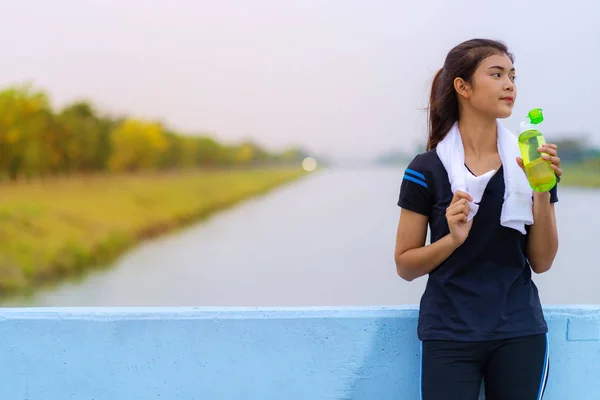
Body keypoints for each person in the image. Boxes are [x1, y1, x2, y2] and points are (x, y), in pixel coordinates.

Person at [394, 38, 562, 400]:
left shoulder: (530, 164)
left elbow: (543, 261)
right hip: (448, 333)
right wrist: (452, 239)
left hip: (520, 330)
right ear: (463, 87)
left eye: (512, 76)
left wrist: (542, 190)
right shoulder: (426, 169)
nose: (509, 85)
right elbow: (405, 266)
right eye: (497, 74)